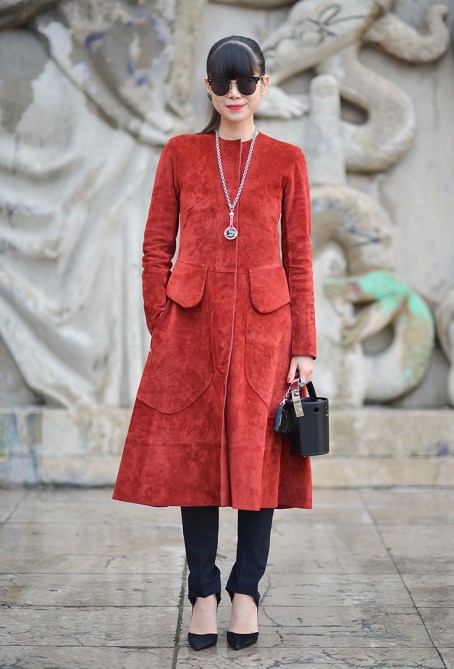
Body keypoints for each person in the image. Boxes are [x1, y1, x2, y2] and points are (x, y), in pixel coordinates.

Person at [112, 35, 316, 651]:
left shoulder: (286, 159)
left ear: (263, 85)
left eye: (245, 82)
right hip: (190, 329)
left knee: (258, 462)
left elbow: (300, 259)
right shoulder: (180, 153)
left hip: (266, 330)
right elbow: (155, 247)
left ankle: (245, 590)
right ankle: (203, 591)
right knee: (195, 463)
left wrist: (304, 345)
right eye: (223, 83)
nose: (234, 94)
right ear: (207, 87)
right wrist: (163, 319)